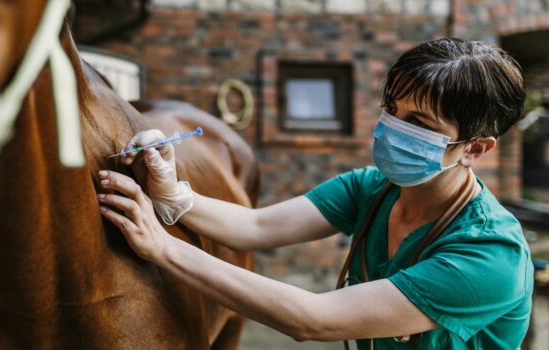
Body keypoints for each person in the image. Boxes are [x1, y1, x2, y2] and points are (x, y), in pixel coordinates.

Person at [96, 38, 533, 349]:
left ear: (474, 149)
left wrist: (163, 248)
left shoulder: (489, 256)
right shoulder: (373, 189)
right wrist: (174, 194)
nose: (393, 129)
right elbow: (257, 226)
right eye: (392, 110)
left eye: (419, 124)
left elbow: (313, 320)